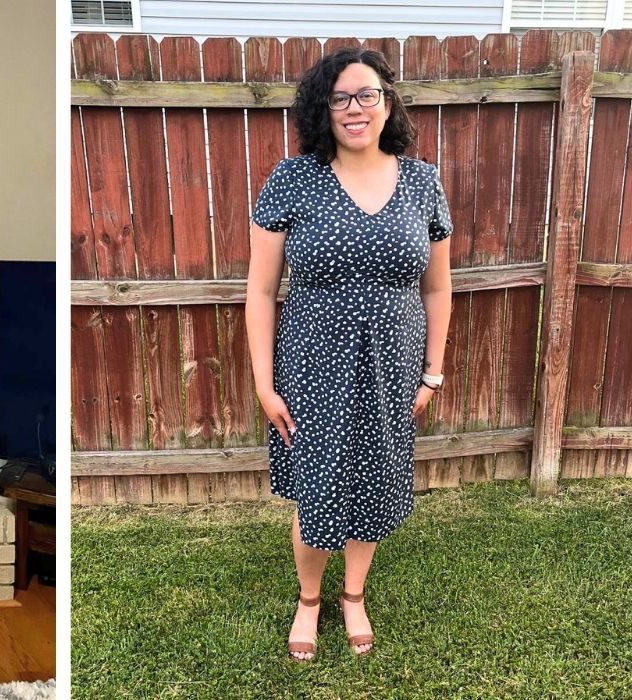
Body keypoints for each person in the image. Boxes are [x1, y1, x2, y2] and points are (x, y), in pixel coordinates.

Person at [244, 47, 453, 662]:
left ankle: (353, 594)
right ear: (322, 108)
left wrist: (433, 372)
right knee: (317, 486)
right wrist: (264, 381)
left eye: (367, 95)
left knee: (375, 480)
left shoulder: (423, 182)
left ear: (388, 104)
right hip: (310, 367)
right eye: (340, 97)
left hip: (395, 366)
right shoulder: (292, 179)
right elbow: (259, 290)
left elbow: (438, 287)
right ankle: (309, 599)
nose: (355, 108)